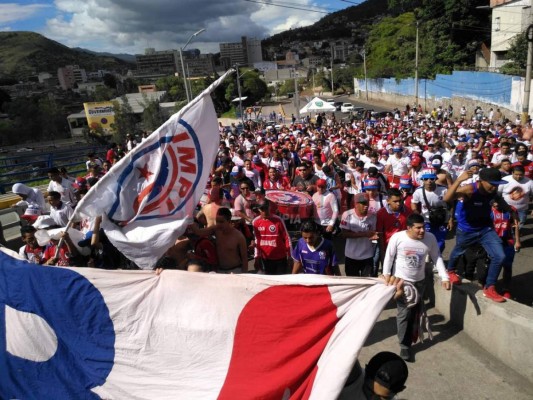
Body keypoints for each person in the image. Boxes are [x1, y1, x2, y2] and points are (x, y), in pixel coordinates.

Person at [382, 213, 451, 361]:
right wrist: (386, 274)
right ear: (409, 228)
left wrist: (445, 277)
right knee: (404, 313)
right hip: (402, 282)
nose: (422, 231)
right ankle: (405, 346)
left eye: (423, 227)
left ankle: (409, 335)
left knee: (414, 313)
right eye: (418, 228)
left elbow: (436, 257)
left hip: (420, 282)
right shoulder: (398, 238)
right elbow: (389, 256)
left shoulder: (430, 238)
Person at [443, 168, 512, 302]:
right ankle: (450, 271)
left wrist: (510, 210)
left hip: (486, 229)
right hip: (467, 230)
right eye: (492, 184)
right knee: (458, 252)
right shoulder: (469, 189)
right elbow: (447, 198)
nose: (495, 187)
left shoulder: (492, 191)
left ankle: (490, 287)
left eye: (497, 184)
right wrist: (458, 180)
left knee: (500, 256)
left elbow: (498, 198)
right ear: (481, 181)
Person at [338, 351, 409, 400]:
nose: (373, 399)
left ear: (400, 390)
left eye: (382, 398)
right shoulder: (349, 380)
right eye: (369, 390)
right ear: (365, 374)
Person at [411, 168, 450, 252]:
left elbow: (451, 204)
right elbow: (414, 203)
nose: (429, 181)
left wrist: (451, 219)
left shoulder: (444, 190)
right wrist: (416, 213)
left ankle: (437, 258)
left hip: (442, 220)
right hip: (426, 221)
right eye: (426, 179)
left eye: (432, 179)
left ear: (435, 179)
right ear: (423, 180)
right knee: (426, 242)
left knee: (441, 242)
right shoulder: (418, 191)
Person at [340, 192, 379, 277]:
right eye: (363, 203)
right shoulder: (347, 215)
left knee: (367, 284)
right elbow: (344, 234)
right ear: (356, 204)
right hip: (351, 256)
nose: (366, 206)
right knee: (353, 284)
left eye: (367, 203)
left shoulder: (373, 216)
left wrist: (375, 238)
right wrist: (364, 234)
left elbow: (374, 234)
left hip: (367, 256)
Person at [252, 200, 292, 275]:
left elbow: (287, 237)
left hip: (280, 258)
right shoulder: (255, 222)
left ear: (269, 208)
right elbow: (257, 240)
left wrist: (290, 256)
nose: (265, 211)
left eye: (266, 208)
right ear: (258, 210)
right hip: (266, 259)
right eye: (262, 209)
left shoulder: (278, 220)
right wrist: (256, 257)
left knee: (281, 281)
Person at [376, 188, 412, 262]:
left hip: (404, 249)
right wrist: (383, 252)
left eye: (400, 200)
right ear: (388, 201)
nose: (398, 203)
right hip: (388, 249)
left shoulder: (409, 212)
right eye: (395, 201)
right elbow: (380, 234)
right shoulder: (381, 213)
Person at [213, 207, 248, 273]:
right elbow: (199, 232)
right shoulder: (216, 231)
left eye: (221, 222)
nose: (218, 224)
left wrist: (244, 275)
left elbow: (244, 258)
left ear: (229, 221)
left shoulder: (239, 236)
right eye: (217, 221)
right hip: (220, 271)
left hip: (235, 270)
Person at [499, 164, 533, 229]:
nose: (518, 176)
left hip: (522, 209)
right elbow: (498, 194)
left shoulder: (530, 182)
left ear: (524, 174)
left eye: (521, 175)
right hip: (506, 208)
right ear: (512, 173)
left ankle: (517, 234)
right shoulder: (504, 180)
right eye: (516, 174)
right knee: (506, 224)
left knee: (520, 223)